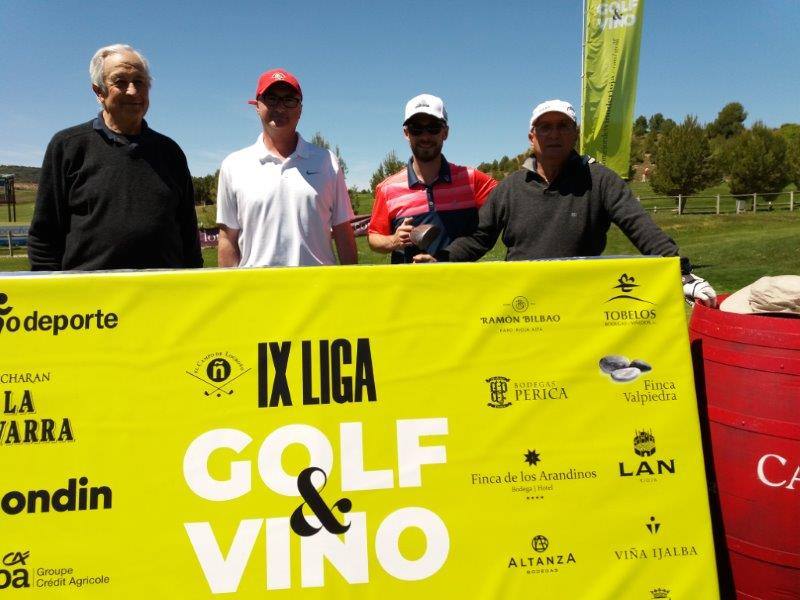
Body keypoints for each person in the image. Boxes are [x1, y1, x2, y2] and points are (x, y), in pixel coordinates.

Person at [437, 99, 716, 306]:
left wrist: (680, 270)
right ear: (531, 137)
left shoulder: (600, 180)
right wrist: (439, 262)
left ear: (575, 134)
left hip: (583, 302)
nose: (554, 134)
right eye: (544, 127)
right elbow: (478, 239)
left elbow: (638, 225)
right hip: (522, 303)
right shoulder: (510, 188)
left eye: (563, 126)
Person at [28, 44, 202, 271]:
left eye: (139, 82)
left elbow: (188, 235)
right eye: (120, 82)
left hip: (163, 296)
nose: (133, 91)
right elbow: (45, 235)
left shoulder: (171, 152)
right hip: (92, 300)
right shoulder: (68, 146)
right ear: (98, 91)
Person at [216, 69, 357, 267]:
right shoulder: (233, 165)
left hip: (318, 291)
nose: (280, 108)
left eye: (289, 100)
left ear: (300, 109)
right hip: (256, 293)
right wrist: (229, 291)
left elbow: (343, 230)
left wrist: (350, 288)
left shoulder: (326, 161)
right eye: (271, 99)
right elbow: (228, 238)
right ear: (257, 105)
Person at [368, 94, 496, 263]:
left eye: (434, 128)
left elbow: (509, 202)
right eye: (416, 129)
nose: (425, 136)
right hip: (408, 286)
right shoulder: (387, 188)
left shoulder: (471, 180)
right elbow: (373, 237)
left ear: (445, 132)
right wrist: (394, 240)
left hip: (460, 286)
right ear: (406, 133)